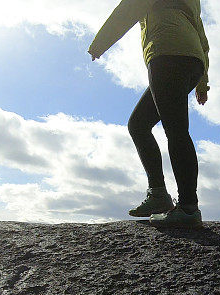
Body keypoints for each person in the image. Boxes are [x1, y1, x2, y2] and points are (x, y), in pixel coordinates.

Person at [89, 0, 210, 228]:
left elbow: (129, 8)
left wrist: (100, 44)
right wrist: (202, 83)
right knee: (139, 124)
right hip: (192, 60)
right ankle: (159, 195)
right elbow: (202, 38)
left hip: (166, 52)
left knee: (175, 131)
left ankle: (188, 208)